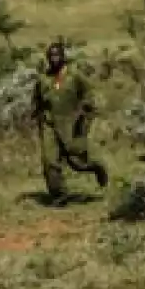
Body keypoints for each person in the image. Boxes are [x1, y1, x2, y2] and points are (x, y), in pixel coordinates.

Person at [32, 42, 108, 204]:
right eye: (51, 56)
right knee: (49, 159)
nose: (54, 59)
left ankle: (97, 167)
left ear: (63, 56)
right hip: (49, 123)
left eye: (57, 55)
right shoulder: (43, 78)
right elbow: (37, 101)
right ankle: (59, 194)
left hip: (71, 122)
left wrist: (86, 113)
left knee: (76, 159)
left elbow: (88, 93)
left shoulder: (75, 76)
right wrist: (37, 117)